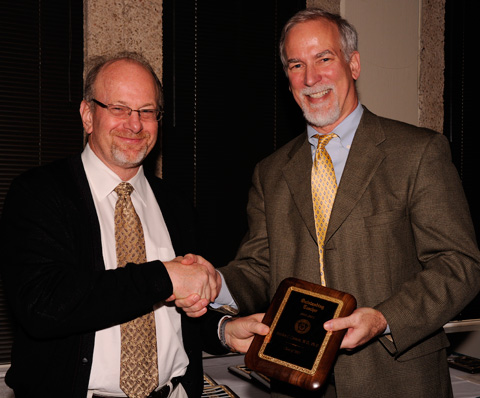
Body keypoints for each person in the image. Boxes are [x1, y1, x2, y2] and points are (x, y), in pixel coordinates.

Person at [178, 8, 480, 398]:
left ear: (353, 64)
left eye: (324, 58)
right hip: (295, 382)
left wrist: (384, 319)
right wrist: (216, 283)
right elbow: (260, 269)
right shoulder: (271, 173)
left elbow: (459, 265)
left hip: (397, 380)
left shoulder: (417, 153)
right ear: (287, 80)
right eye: (296, 65)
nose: (311, 78)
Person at [0, 52, 268, 398]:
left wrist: (223, 330)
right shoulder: (38, 193)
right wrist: (164, 276)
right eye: (119, 109)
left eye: (146, 111)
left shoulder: (175, 205)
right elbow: (43, 306)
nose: (135, 124)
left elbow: (176, 313)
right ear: (87, 115)